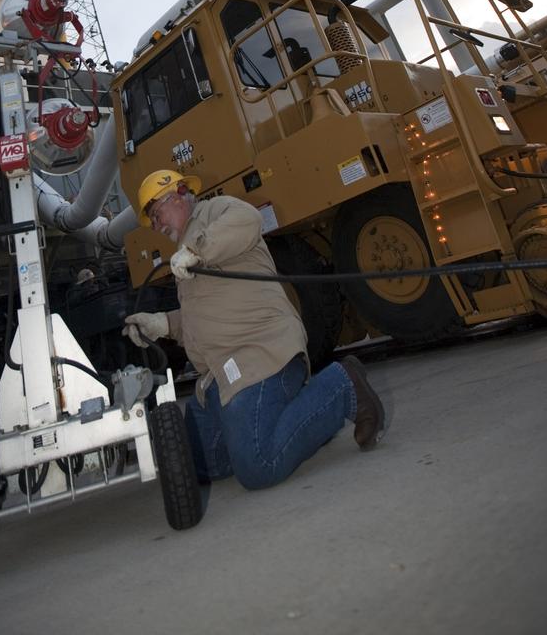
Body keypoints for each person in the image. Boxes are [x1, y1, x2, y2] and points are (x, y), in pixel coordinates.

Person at [122, 170, 385, 491]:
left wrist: (197, 250)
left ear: (177, 194)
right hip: (220, 378)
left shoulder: (214, 213)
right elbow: (201, 316)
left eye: (156, 213)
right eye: (151, 220)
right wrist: (160, 323)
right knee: (200, 463)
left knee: (258, 464)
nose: (157, 225)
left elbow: (248, 218)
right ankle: (302, 419)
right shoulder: (185, 254)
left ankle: (341, 387)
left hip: (258, 358)